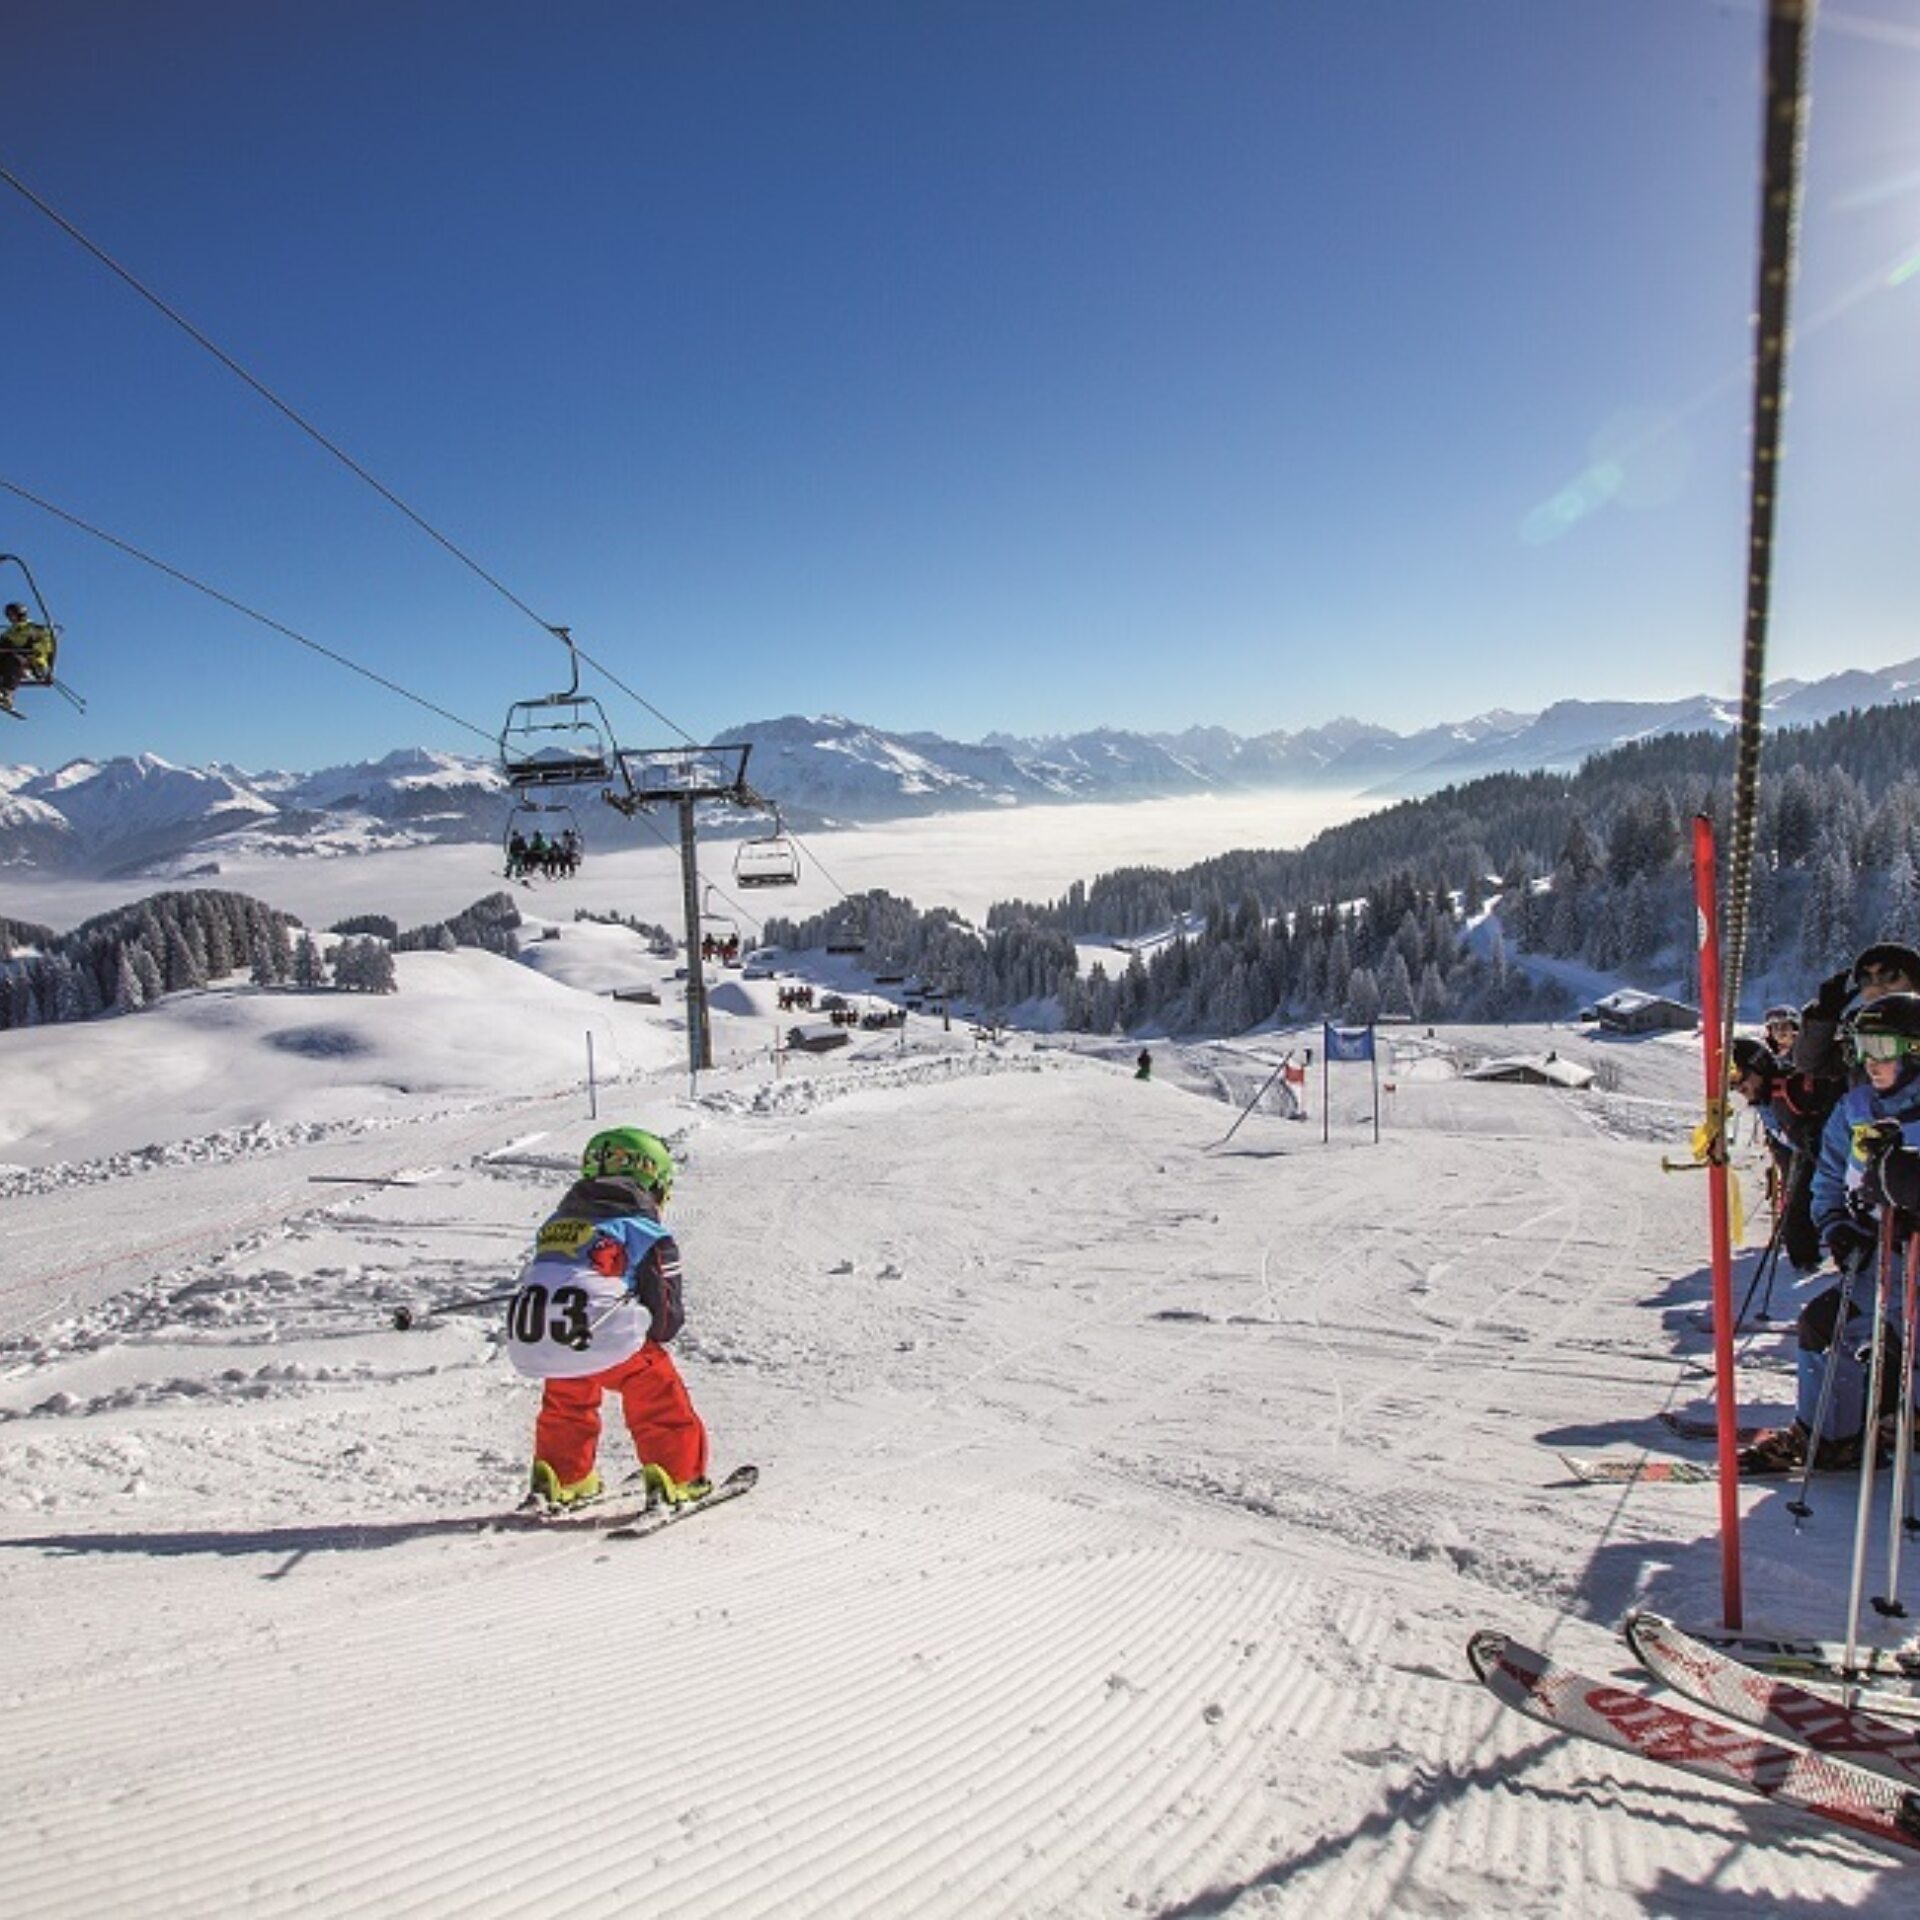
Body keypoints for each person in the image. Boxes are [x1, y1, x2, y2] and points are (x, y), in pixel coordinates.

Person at [1740, 993, 1920, 1475]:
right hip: (1881, 1256)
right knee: (1828, 1325)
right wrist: (1838, 1225)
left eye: (1883, 1046)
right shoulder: (1856, 1107)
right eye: (1863, 1047)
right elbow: (1828, 1178)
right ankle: (1835, 1437)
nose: (1871, 1060)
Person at [504, 1126, 711, 1511]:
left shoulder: (554, 1226)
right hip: (603, 1334)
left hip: (544, 1337)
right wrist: (656, 1331)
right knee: (656, 1392)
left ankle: (562, 1474)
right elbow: (665, 1314)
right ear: (653, 1181)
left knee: (568, 1393)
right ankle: (679, 1476)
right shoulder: (645, 1231)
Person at [1729, 1034, 1841, 1274]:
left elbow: (1832, 1101)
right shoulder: (1764, 1096)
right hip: (1799, 1150)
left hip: (1827, 1156)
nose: (1737, 1087)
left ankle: (1815, 1258)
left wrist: (1813, 1132)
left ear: (1758, 1067)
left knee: (1806, 1202)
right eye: (1728, 1080)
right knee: (1796, 1203)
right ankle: (1805, 1259)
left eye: (1738, 1076)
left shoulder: (1791, 1085)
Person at [1795, 943, 1920, 1082]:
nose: (1876, 985)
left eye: (1888, 975)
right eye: (1866, 979)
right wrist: (1824, 1016)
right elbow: (1812, 1065)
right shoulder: (1861, 1026)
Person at [0, 602, 56, 712]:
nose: (11, 618)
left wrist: (37, 662)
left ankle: (7, 695)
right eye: (9, 615)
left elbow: (43, 647)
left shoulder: (35, 629)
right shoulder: (9, 632)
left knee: (13, 657)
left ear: (21, 614)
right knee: (6, 649)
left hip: (27, 663)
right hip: (8, 659)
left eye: (13, 615)